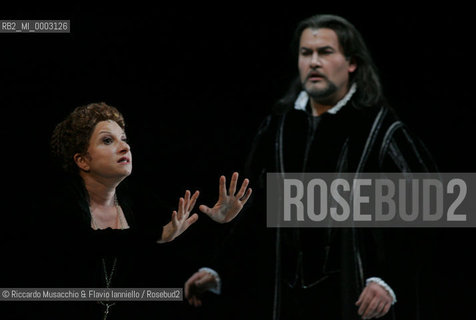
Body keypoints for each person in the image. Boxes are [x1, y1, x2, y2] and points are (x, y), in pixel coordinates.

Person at [184, 14, 437, 320]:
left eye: (325, 52)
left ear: (352, 63)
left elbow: (433, 205)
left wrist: (387, 278)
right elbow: (254, 208)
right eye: (306, 53)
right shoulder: (279, 126)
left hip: (356, 299)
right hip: (286, 299)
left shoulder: (379, 128)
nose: (314, 62)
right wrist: (218, 269)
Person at [28, 102, 251, 320]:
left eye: (124, 139)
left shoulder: (135, 199)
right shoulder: (58, 203)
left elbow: (178, 236)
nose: (125, 147)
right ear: (83, 160)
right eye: (108, 140)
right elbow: (87, 244)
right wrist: (158, 235)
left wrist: (217, 221)